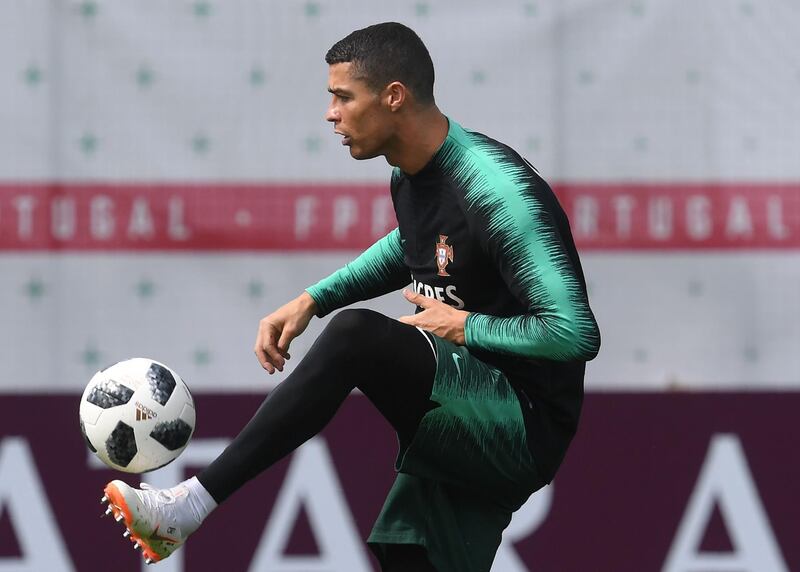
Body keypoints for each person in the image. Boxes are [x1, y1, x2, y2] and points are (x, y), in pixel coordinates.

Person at [100, 22, 600, 571]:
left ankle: (190, 504)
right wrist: (315, 298)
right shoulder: (410, 175)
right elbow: (410, 246)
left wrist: (465, 326)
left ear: (393, 97)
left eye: (342, 97)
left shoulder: (497, 190)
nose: (330, 114)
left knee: (357, 337)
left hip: (519, 424)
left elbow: (574, 333)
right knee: (413, 560)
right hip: (466, 403)